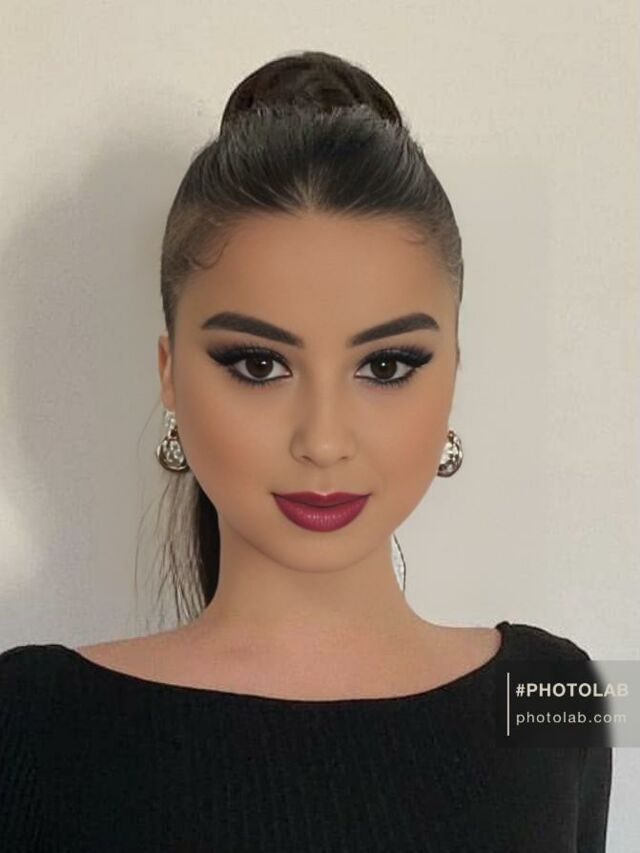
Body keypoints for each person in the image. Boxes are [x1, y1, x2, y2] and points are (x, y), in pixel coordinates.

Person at [0, 50, 612, 851]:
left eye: (386, 366)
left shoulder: (552, 697)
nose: (323, 440)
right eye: (259, 364)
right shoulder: (31, 722)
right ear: (170, 374)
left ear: (453, 372)